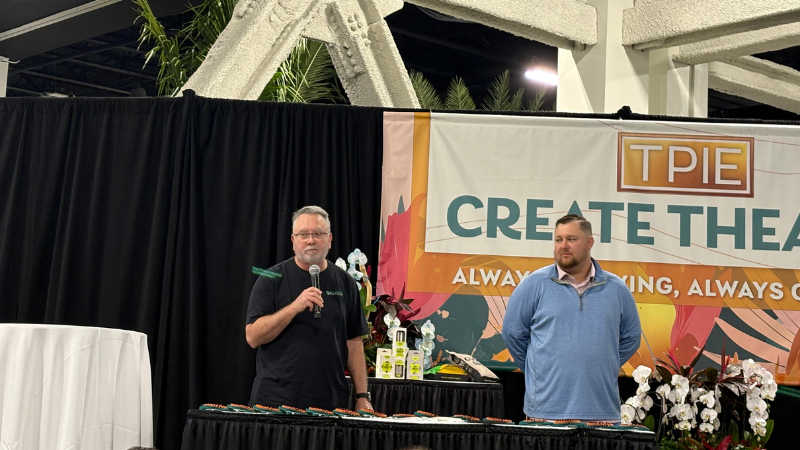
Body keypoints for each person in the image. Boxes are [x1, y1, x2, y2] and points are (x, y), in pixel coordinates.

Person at [501, 214, 641, 421]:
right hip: (545, 412)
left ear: (589, 242)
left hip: (601, 413)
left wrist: (603, 363)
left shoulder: (616, 289)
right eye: (559, 239)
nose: (563, 245)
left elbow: (631, 338)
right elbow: (512, 334)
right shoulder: (533, 285)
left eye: (571, 239)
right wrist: (538, 367)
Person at [245, 205, 373, 411]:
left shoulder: (345, 282)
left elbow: (354, 342)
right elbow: (253, 337)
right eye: (303, 234)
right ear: (293, 240)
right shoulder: (270, 279)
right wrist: (294, 307)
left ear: (329, 239)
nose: (311, 240)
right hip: (275, 401)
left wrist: (362, 395)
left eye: (318, 234)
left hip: (330, 401)